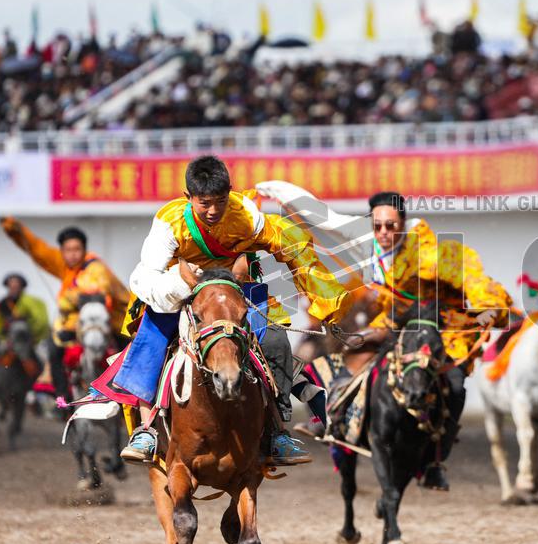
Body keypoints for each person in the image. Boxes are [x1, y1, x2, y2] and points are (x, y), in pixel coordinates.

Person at [255, 180, 513, 490]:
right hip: (392, 323)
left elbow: (475, 280)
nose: (383, 233)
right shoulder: (370, 241)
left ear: (404, 224)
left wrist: (487, 308)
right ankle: (334, 423)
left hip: (438, 329)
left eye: (391, 226)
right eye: (377, 226)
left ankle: (435, 461)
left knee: (455, 386)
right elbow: (327, 218)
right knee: (336, 361)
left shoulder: (436, 253)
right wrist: (280, 192)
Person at [94, 155, 350, 466]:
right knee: (152, 337)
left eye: (220, 200)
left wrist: (328, 308)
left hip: (236, 290)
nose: (214, 210)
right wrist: (180, 285)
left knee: (274, 341)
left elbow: (294, 242)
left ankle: (277, 430)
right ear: (188, 197)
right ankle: (146, 430)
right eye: (204, 203)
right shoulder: (169, 223)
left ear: (230, 191)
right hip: (183, 291)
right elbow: (145, 277)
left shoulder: (247, 216)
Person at [0, 218, 129, 403]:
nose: (73, 254)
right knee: (54, 350)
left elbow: (93, 292)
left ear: (84, 250)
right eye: (68, 250)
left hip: (112, 322)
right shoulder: (66, 266)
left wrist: (68, 299)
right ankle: (63, 399)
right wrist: (15, 230)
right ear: (62, 252)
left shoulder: (95, 267)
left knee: (129, 357)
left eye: (77, 249)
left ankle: (131, 397)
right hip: (77, 324)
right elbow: (39, 250)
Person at [0, 273, 50, 398]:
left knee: (41, 360)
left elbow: (40, 320)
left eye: (16, 285)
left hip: (29, 340)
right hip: (8, 339)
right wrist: (2, 333)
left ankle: (43, 386)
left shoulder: (32, 303)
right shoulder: (2, 304)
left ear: (21, 287)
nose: (14, 287)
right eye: (11, 285)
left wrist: (32, 335)